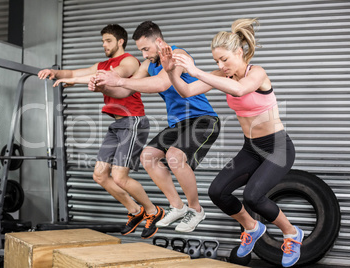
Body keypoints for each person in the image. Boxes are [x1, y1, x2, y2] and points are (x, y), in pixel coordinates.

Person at [159, 18, 303, 267]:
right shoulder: (219, 75)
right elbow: (186, 91)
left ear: (239, 51)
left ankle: (292, 233)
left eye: (224, 59)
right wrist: (170, 70)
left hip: (277, 147)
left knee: (253, 196)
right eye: (216, 61)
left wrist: (196, 71)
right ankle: (251, 227)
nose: (220, 65)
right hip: (251, 148)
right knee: (217, 191)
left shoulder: (257, 73)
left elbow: (239, 90)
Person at [91, 21, 220, 233]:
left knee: (174, 157)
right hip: (178, 124)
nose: (144, 55)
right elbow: (124, 92)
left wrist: (121, 81)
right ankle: (177, 206)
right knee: (148, 156)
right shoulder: (148, 64)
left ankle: (196, 209)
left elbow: (161, 83)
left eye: (146, 49)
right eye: (141, 50)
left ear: (158, 42)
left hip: (203, 119)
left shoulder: (177, 55)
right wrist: (103, 87)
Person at [38, 24, 164, 239]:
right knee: (99, 175)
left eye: (108, 40)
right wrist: (55, 72)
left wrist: (76, 81)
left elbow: (113, 76)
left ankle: (154, 211)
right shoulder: (102, 64)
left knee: (119, 176)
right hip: (117, 125)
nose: (104, 44)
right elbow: (73, 72)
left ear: (120, 41)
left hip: (133, 122)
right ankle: (136, 211)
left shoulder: (129, 61)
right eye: (103, 41)